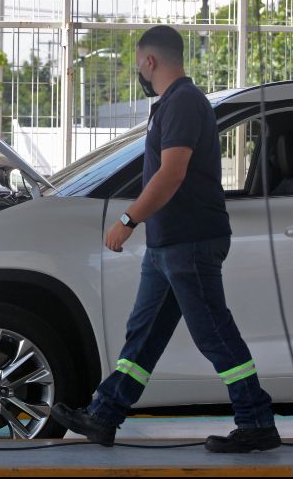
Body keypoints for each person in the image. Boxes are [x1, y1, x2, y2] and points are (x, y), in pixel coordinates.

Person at [51, 25, 280, 453]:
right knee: (143, 335)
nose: (139, 70)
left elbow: (171, 174)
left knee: (213, 332)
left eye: (139, 63)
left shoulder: (184, 104)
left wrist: (127, 219)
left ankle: (256, 421)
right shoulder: (172, 105)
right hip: (168, 244)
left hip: (189, 241)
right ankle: (105, 415)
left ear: (150, 61)